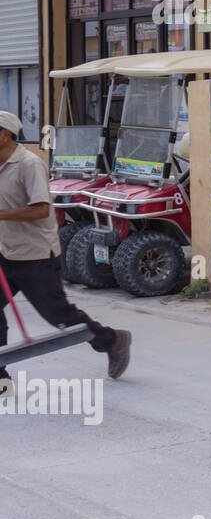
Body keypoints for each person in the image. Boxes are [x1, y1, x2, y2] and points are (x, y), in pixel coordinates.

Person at [0, 110, 131, 387]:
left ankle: (111, 339)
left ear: (4, 135)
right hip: (6, 251)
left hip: (36, 256)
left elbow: (41, 209)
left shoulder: (28, 164)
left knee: (58, 315)